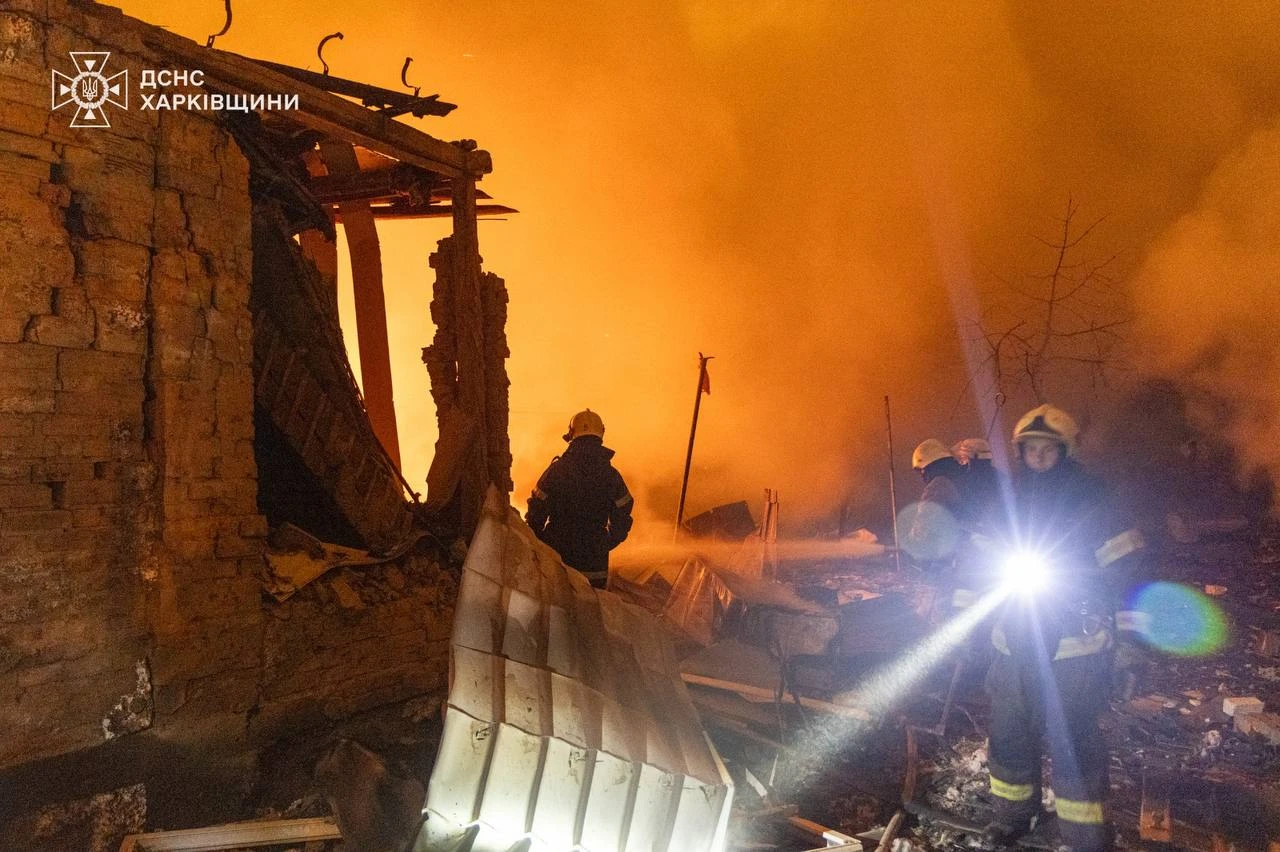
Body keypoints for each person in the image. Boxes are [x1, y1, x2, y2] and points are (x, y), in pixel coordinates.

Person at [984, 404, 1145, 851]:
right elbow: (979, 564)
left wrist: (1129, 646)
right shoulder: (1009, 501)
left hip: (1075, 651)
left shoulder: (1094, 501)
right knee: (1009, 736)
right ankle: (1013, 818)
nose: (1037, 458)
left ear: (1065, 451)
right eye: (1030, 449)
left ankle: (1086, 835)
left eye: (1047, 450)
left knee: (1073, 743)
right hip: (1012, 647)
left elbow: (1128, 577)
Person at [526, 409, 634, 588]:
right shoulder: (611, 475)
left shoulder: (556, 471)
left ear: (572, 434)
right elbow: (623, 510)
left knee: (557, 603)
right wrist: (607, 541)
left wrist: (542, 540)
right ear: (601, 434)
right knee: (592, 604)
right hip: (594, 564)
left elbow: (536, 509)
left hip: (558, 560)